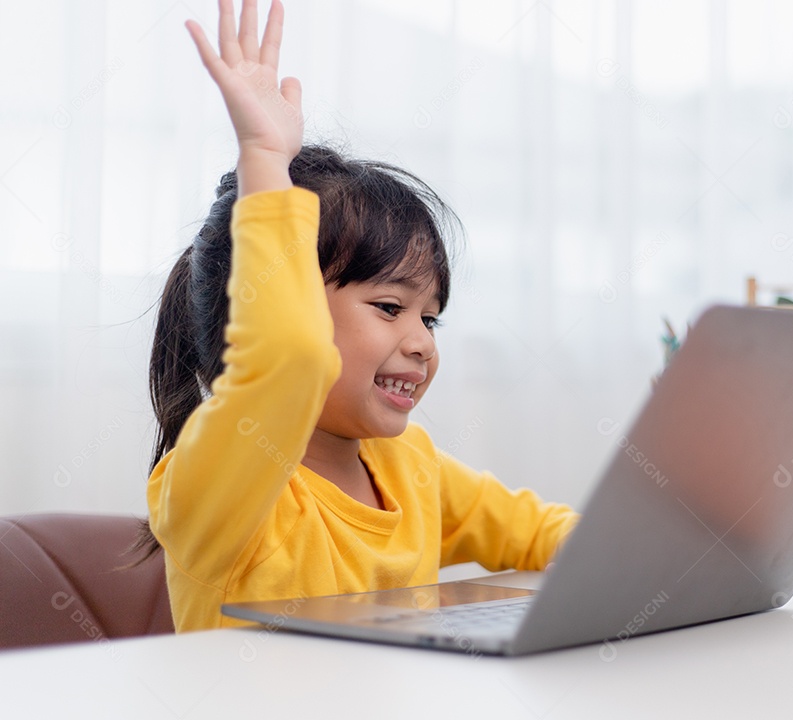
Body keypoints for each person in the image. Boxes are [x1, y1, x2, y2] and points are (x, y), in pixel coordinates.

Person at [142, 0, 578, 633]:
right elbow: (291, 356)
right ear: (270, 303)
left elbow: (540, 532)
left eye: (430, 319)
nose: (421, 343)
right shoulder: (218, 480)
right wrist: (264, 159)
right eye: (390, 307)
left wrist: (659, 565)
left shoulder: (409, 463)